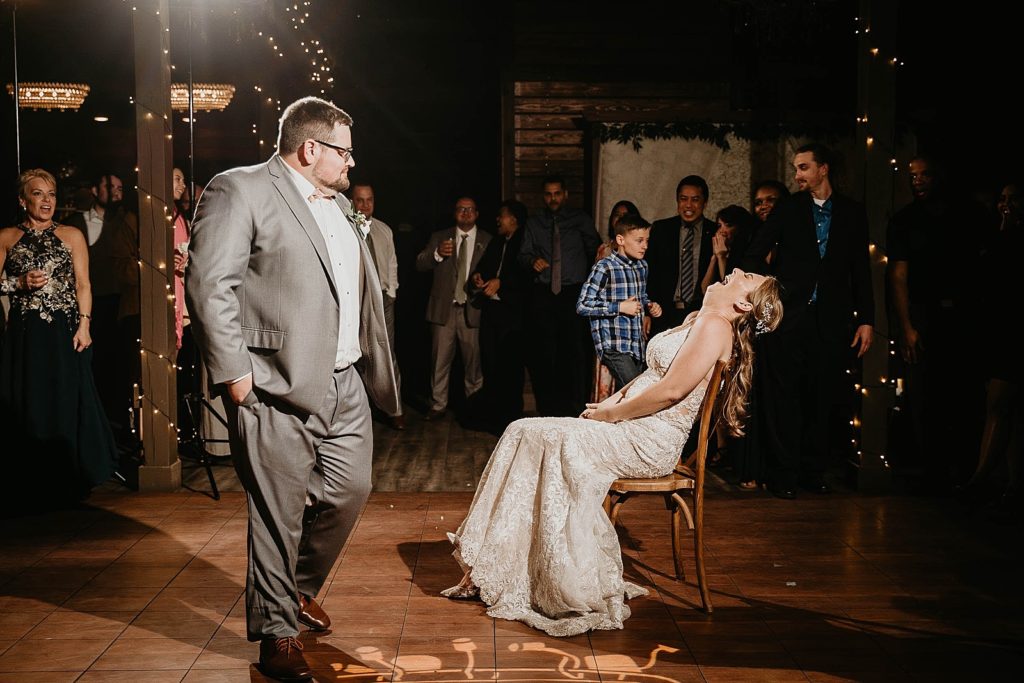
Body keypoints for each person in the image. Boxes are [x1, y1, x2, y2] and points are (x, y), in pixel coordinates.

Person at [441, 269, 782, 637]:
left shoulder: (716, 327)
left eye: (745, 275)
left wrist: (611, 415)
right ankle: (492, 568)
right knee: (523, 430)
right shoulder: (699, 318)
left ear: (743, 303)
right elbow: (652, 376)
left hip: (650, 440)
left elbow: (672, 391)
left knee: (538, 435)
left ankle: (513, 573)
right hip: (633, 422)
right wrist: (613, 399)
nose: (733, 271)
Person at [186, 96, 399, 681]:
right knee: (277, 512)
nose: (351, 165)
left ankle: (297, 590)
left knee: (350, 490)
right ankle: (278, 635)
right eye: (344, 152)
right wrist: (235, 373)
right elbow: (209, 284)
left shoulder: (336, 206)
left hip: (344, 379)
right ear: (310, 149)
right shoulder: (241, 189)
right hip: (272, 381)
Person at [742, 143, 874, 499]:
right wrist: (770, 300)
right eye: (796, 168)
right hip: (788, 319)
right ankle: (783, 474)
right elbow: (754, 255)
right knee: (788, 397)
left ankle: (812, 472)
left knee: (822, 396)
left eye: (803, 168)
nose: (797, 175)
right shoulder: (787, 209)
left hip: (831, 320)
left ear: (823, 169)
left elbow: (861, 269)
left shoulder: (852, 212)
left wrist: (867, 320)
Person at [0, 169, 118, 512]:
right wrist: (18, 283)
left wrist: (84, 325)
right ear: (23, 200)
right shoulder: (6, 237)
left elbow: (84, 285)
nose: (47, 200)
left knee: (65, 396)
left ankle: (69, 478)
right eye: (38, 194)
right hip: (24, 335)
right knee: (27, 401)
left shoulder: (72, 235)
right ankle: (29, 480)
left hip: (64, 333)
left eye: (51, 193)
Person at [519, 176, 601, 416]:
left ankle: (575, 409)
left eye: (557, 193)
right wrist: (532, 261)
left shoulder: (580, 220)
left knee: (574, 352)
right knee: (545, 354)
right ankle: (548, 410)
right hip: (543, 294)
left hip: (573, 293)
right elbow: (522, 255)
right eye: (548, 194)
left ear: (565, 194)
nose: (552, 198)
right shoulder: (534, 224)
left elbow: (595, 251)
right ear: (543, 197)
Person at [415, 197, 491, 421]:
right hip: (444, 311)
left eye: (470, 210)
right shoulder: (440, 237)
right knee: (439, 361)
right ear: (454, 213)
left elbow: (497, 271)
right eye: (461, 209)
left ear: (477, 214)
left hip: (473, 309)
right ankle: (438, 405)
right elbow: (420, 262)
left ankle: (473, 405)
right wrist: (437, 254)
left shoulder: (487, 240)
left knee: (473, 363)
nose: (465, 213)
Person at [576, 213, 663, 389]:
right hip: (613, 344)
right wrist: (620, 307)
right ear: (621, 240)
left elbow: (641, 296)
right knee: (635, 392)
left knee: (631, 395)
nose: (645, 246)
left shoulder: (642, 266)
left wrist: (650, 306)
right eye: (639, 241)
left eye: (647, 240)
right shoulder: (605, 267)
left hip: (636, 344)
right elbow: (583, 305)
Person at [470, 199, 530, 433]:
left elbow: (524, 278)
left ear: (513, 219)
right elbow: (484, 269)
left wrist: (501, 284)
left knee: (511, 368)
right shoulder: (496, 242)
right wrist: (477, 277)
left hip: (512, 315)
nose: (498, 220)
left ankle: (511, 420)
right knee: (490, 364)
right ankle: (494, 417)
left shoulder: (524, 243)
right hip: (491, 313)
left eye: (502, 216)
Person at [352, 182, 406, 430]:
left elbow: (392, 262)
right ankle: (361, 412)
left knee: (387, 353)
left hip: (383, 298)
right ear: (352, 201)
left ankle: (394, 409)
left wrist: (392, 291)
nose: (365, 205)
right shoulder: (345, 228)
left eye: (369, 200)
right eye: (360, 200)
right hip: (356, 298)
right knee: (359, 355)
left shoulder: (384, 230)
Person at [648, 175, 717, 335]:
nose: (688, 205)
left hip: (701, 313)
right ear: (677, 201)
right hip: (664, 313)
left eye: (695, 200)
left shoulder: (714, 232)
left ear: (704, 203)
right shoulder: (661, 229)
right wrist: (646, 312)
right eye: (683, 199)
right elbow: (649, 273)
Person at [592, 200, 640, 402]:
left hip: (632, 322)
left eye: (625, 215)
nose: (620, 219)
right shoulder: (603, 250)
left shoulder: (639, 249)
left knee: (632, 380)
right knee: (608, 378)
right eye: (616, 215)